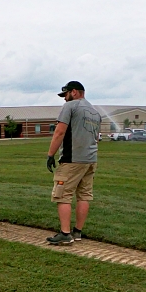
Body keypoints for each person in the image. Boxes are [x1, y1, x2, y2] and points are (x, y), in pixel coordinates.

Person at [45, 80, 101, 245]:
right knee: (84, 195)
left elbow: (60, 131)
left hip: (72, 159)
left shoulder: (70, 107)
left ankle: (65, 233)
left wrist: (50, 154)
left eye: (66, 94)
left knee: (63, 195)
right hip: (90, 160)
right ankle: (77, 231)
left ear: (74, 92)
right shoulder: (95, 113)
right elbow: (96, 138)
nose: (64, 99)